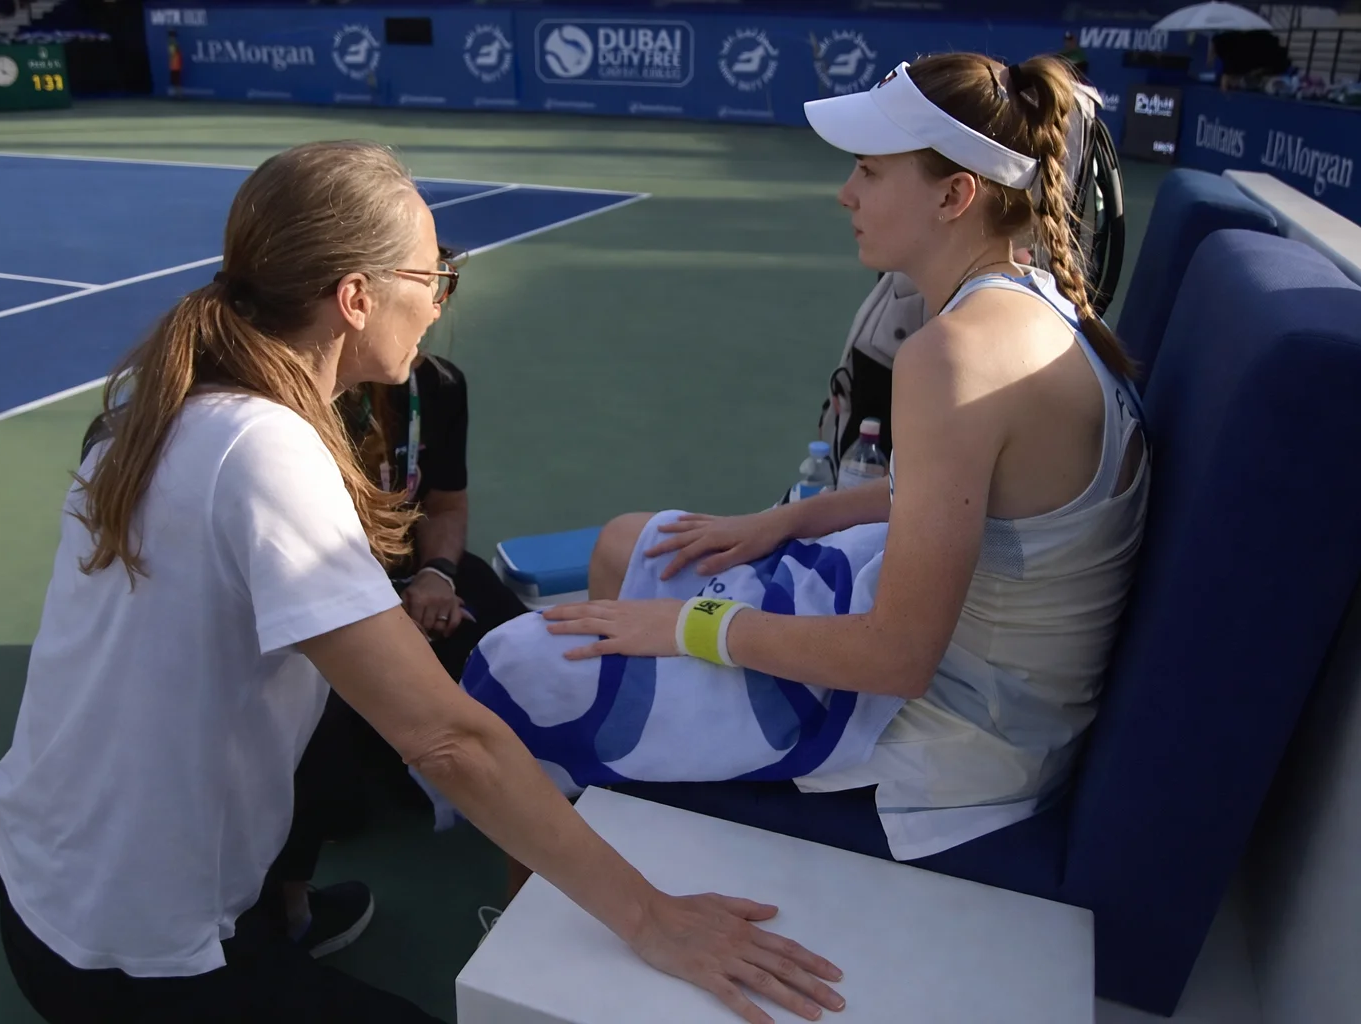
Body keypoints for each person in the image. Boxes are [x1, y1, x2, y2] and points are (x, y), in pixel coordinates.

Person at [0, 140, 845, 1024]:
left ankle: (274, 919)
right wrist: (653, 918)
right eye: (432, 274)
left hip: (35, 867)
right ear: (355, 298)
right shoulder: (262, 448)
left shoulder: (169, 400)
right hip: (127, 953)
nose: (438, 300)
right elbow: (449, 744)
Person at [493, 52, 1150, 867]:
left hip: (959, 745)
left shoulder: (957, 355)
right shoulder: (1028, 302)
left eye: (871, 173)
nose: (847, 193)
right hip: (983, 684)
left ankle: (555, 908)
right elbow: (960, 500)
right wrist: (787, 519)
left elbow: (895, 658)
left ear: (956, 196)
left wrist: (689, 626)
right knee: (635, 544)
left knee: (527, 674)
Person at [337, 329, 528, 682]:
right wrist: (384, 606)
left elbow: (444, 506)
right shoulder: (295, 411)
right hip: (332, 590)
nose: (438, 309)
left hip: (415, 567)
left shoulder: (439, 384)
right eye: (428, 284)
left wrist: (437, 574)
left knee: (523, 653)